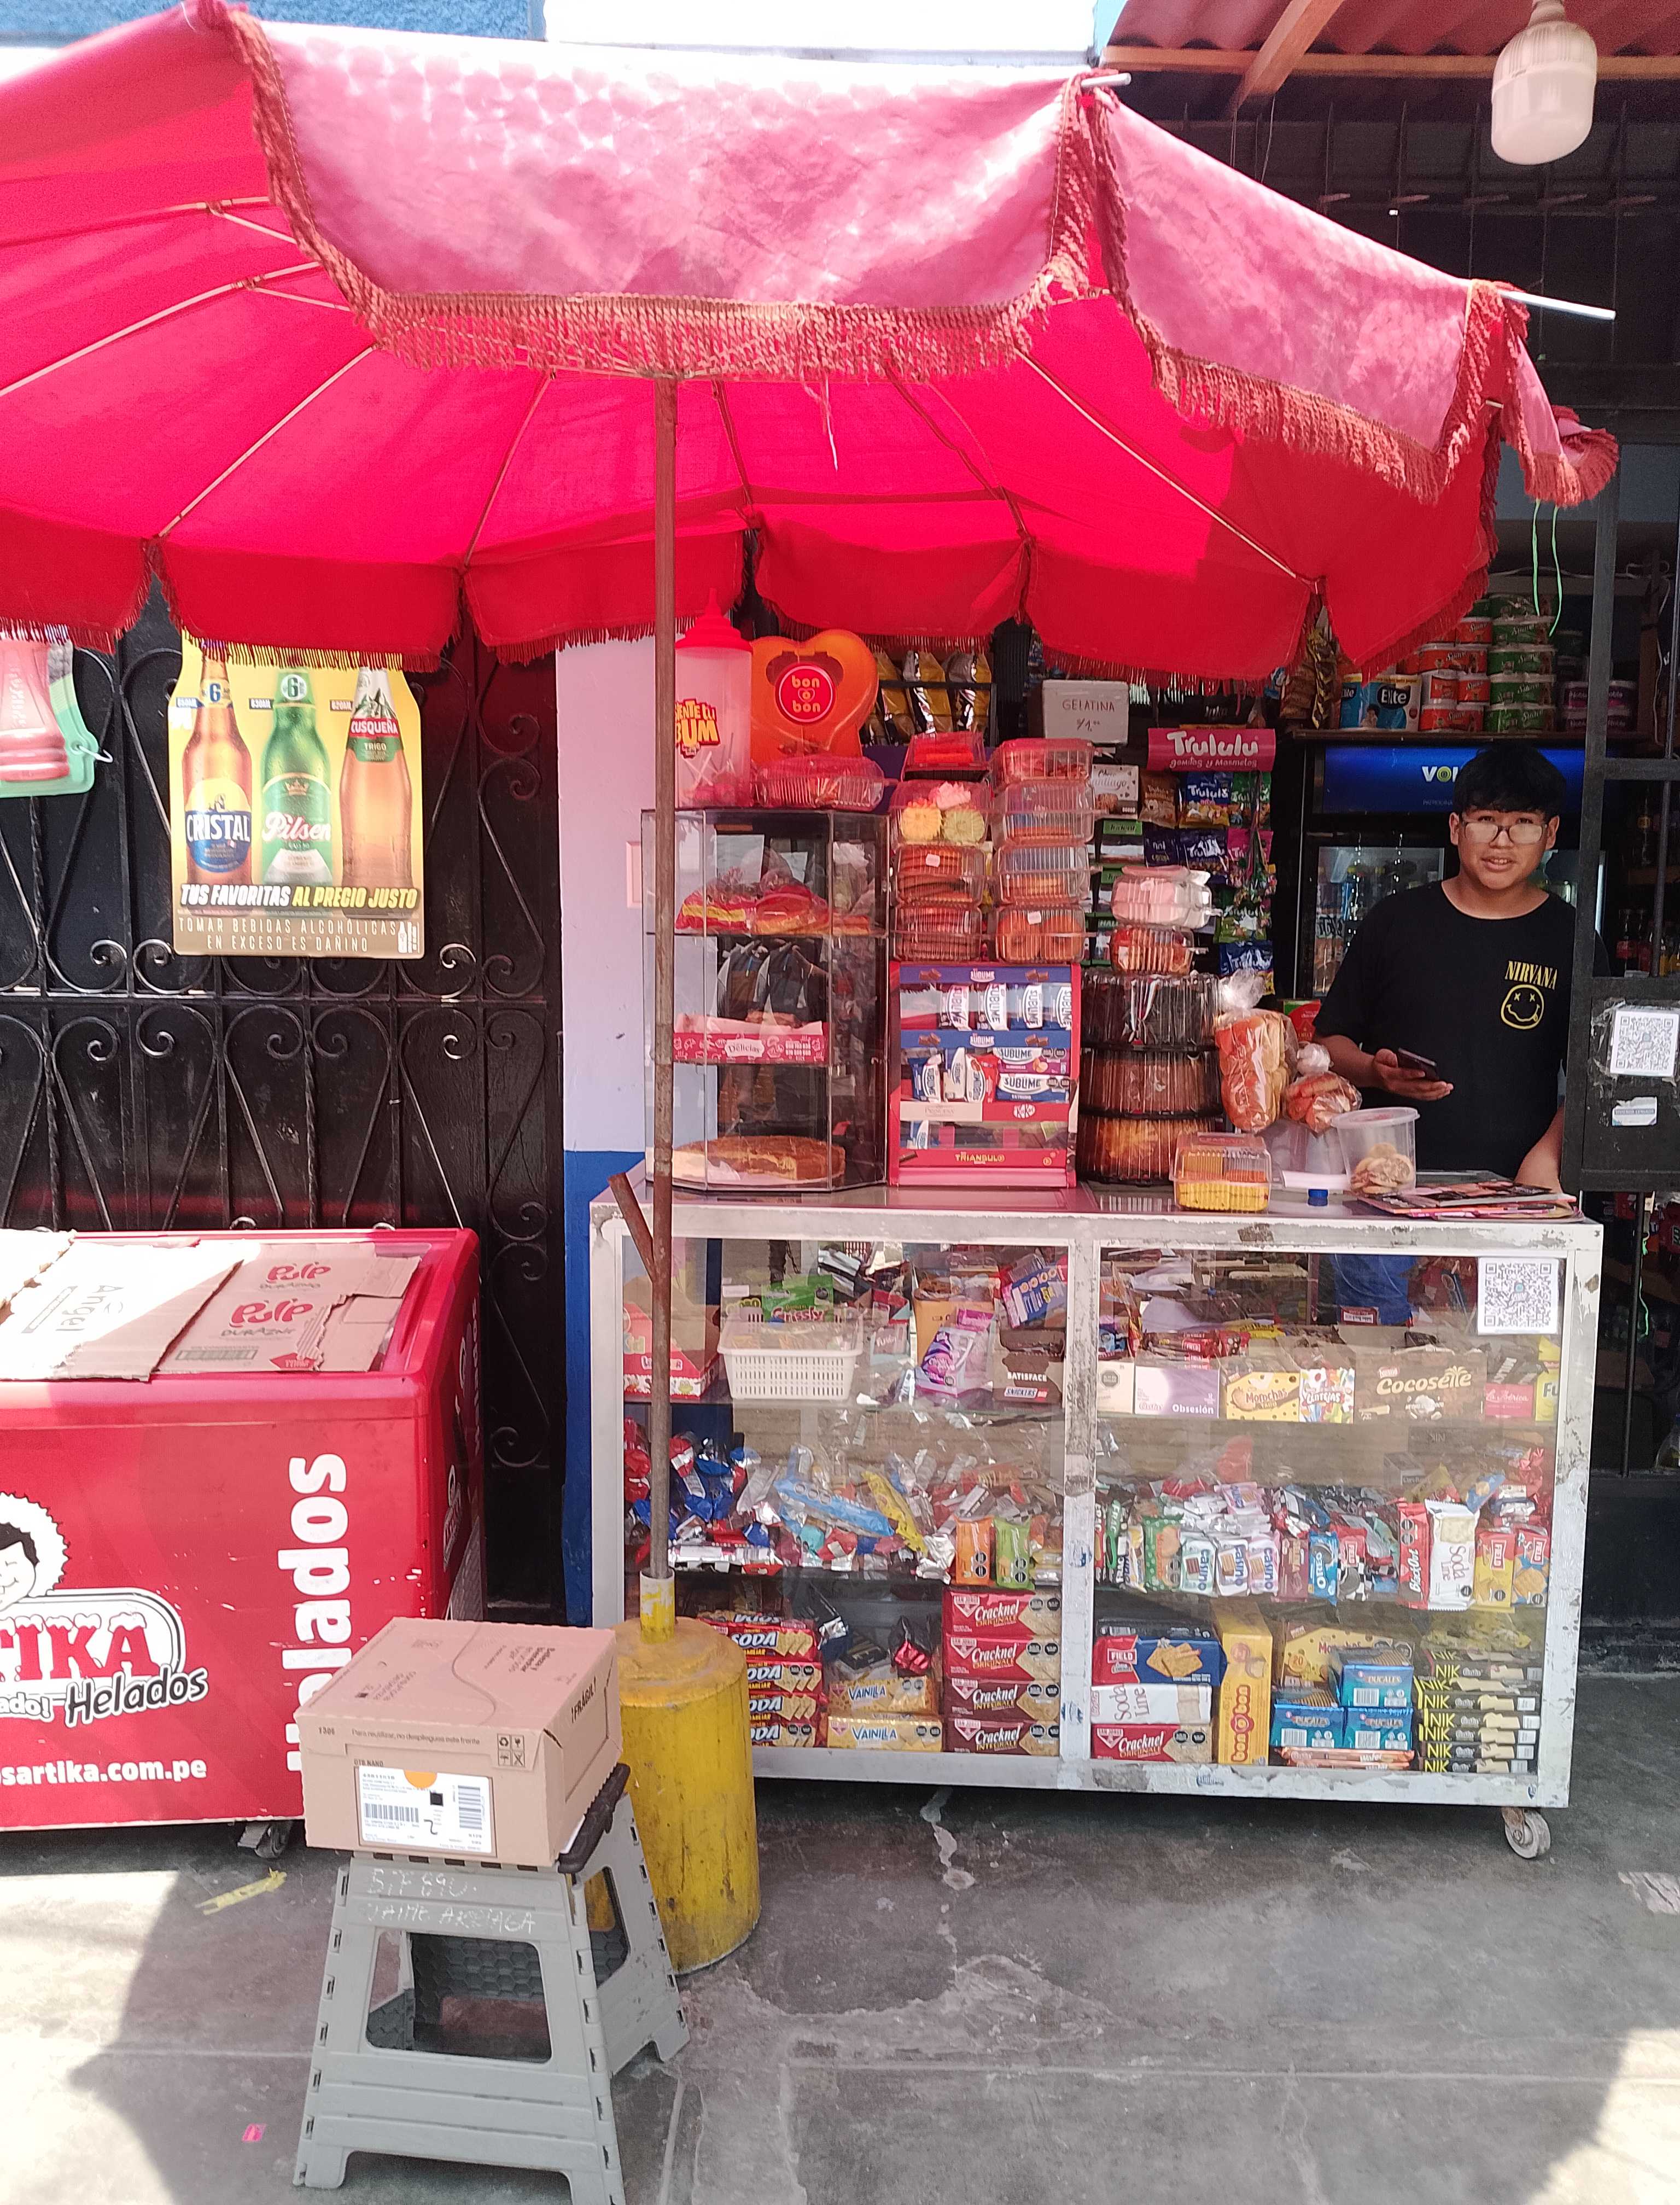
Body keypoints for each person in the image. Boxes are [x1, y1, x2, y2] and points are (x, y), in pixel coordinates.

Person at [1316, 744, 1601, 1193]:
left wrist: (1548, 1155)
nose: (1502, 841)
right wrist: (1374, 1070)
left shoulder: (1573, 938)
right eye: (1485, 820)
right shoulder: (1394, 922)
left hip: (1518, 1189)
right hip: (1389, 1185)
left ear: (1550, 834)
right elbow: (1328, 1043)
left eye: (1523, 824)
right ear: (1456, 828)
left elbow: (1594, 1074)